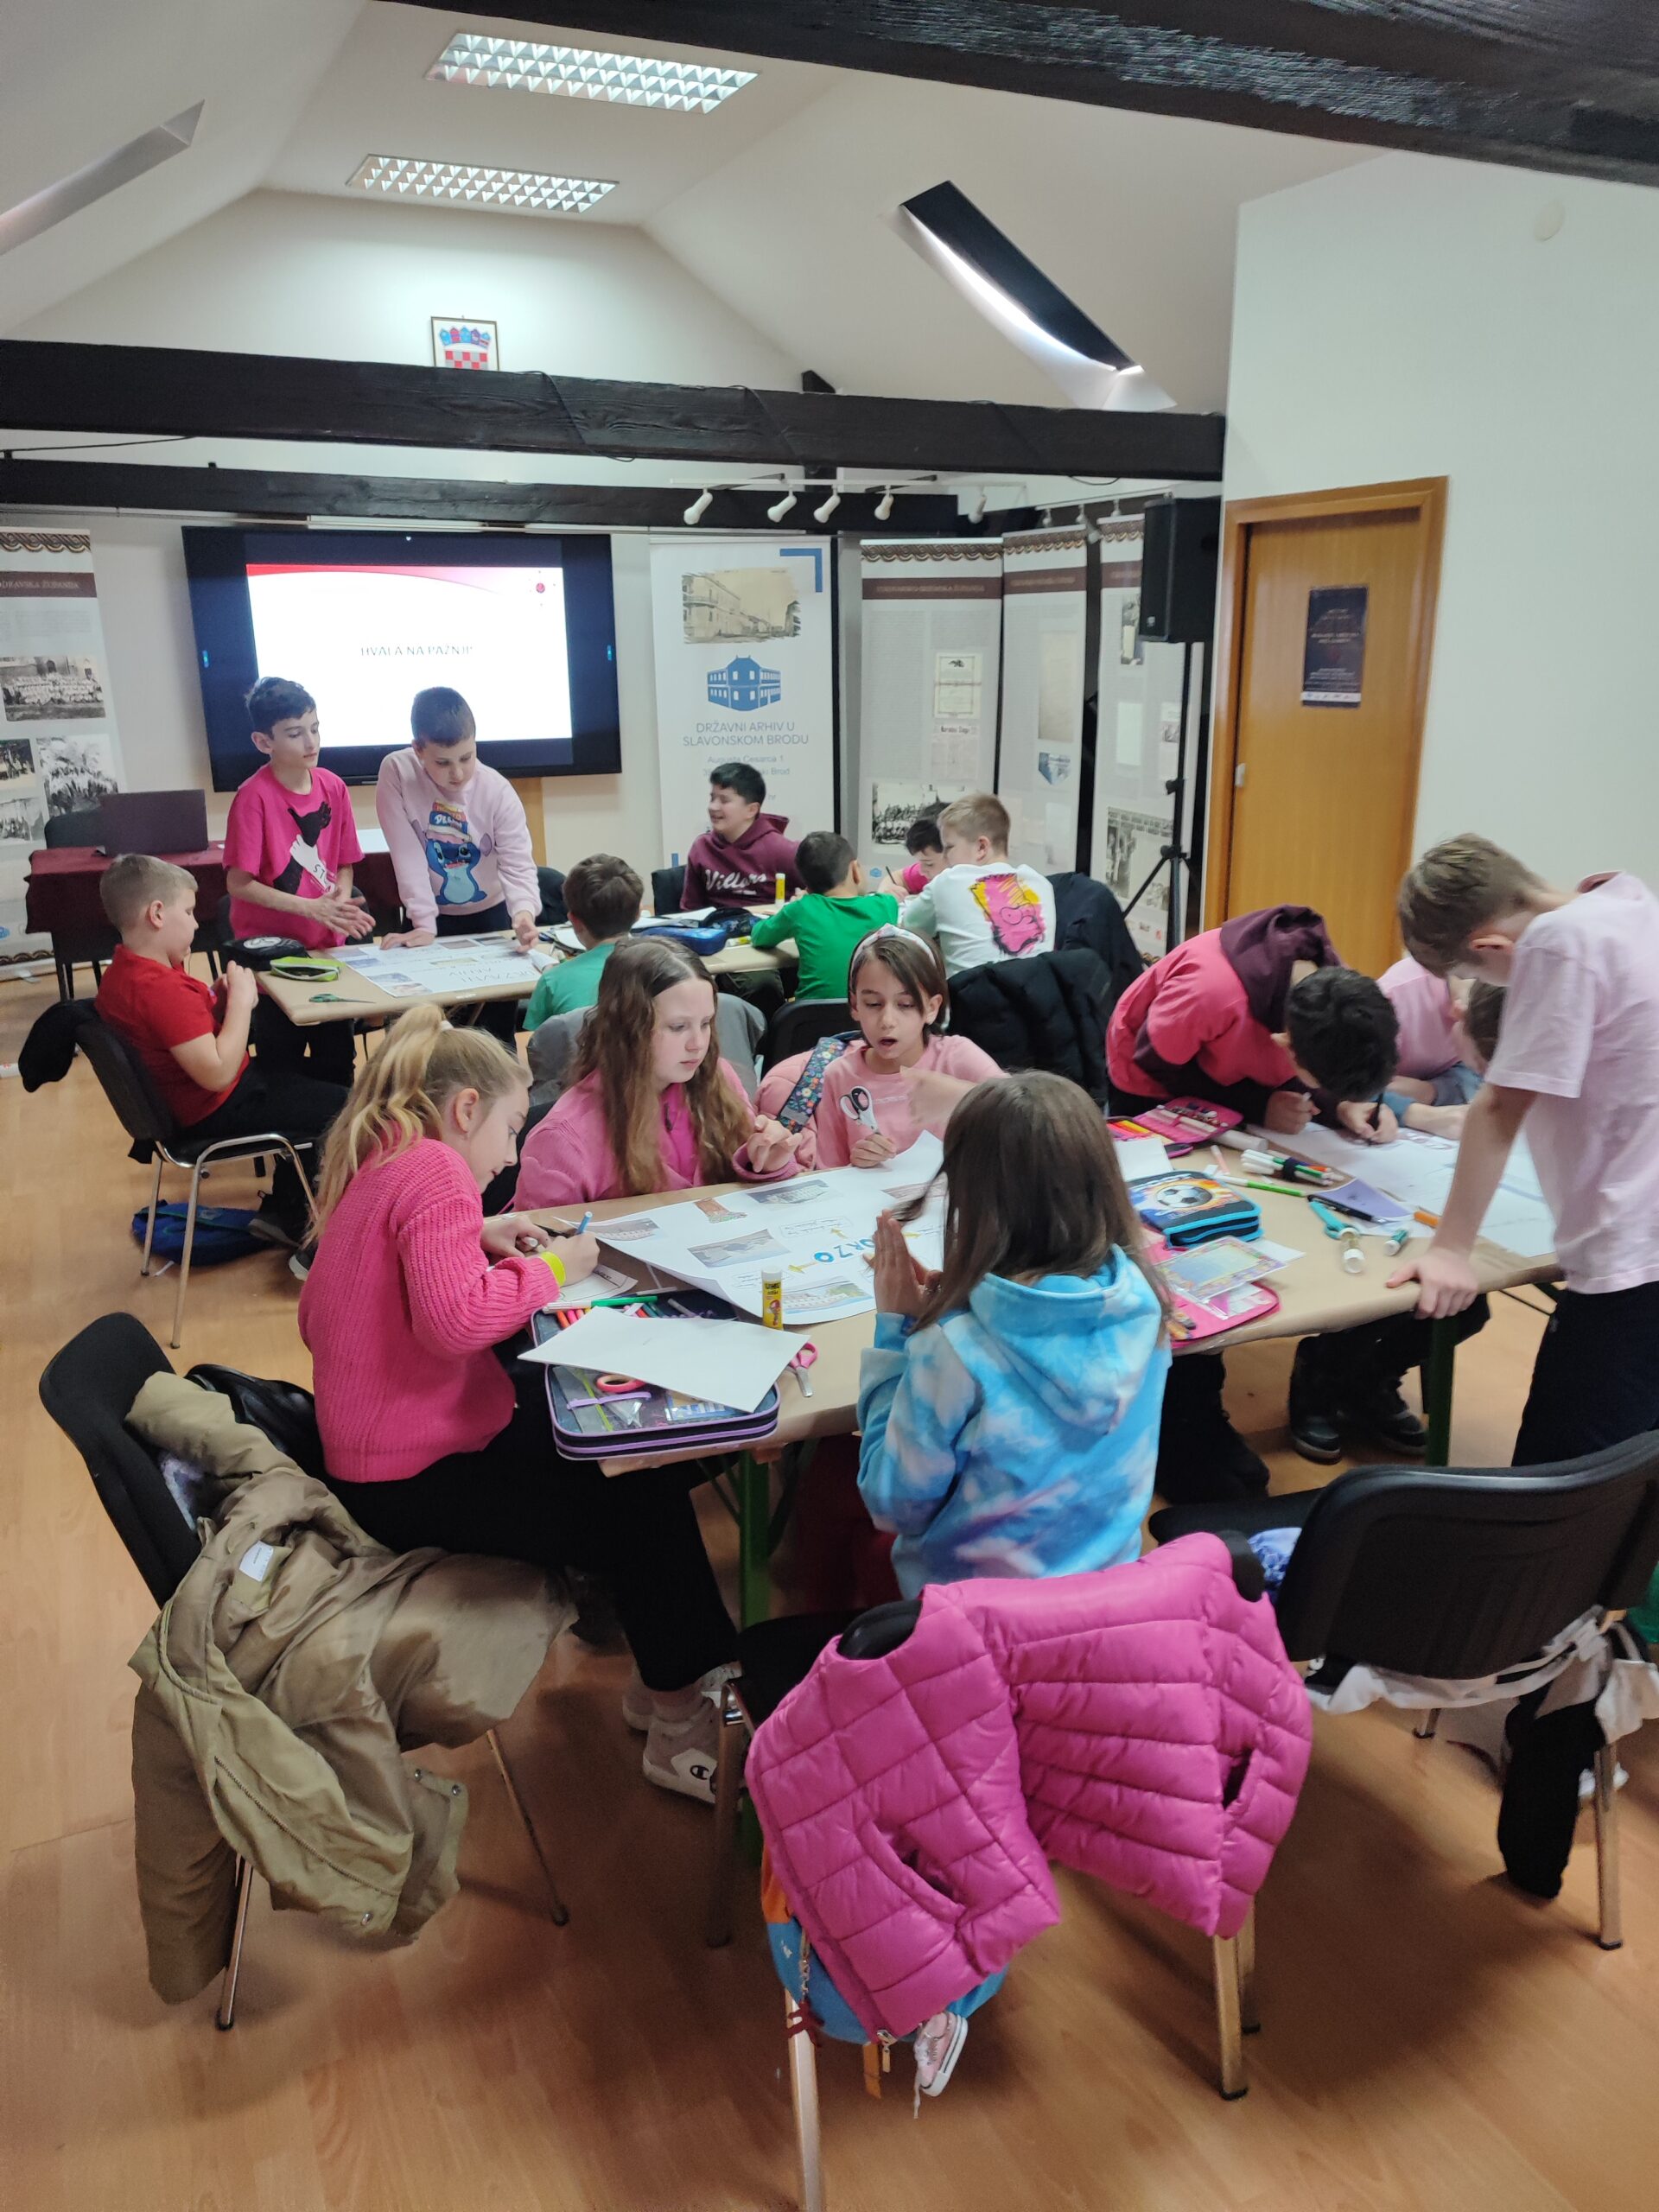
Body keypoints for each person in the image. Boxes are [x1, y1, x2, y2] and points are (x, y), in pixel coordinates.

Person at [299, 1003, 741, 1802]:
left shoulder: (385, 1154)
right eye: (508, 1131)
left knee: (621, 1458)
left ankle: (666, 1682)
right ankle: (679, 1719)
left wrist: (477, 1239)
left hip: (383, 1459)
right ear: (466, 1110)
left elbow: (351, 1300)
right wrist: (556, 1270)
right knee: (635, 1491)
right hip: (415, 1476)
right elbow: (455, 1323)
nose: (509, 1154)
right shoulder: (436, 1171)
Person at [835, 1069, 1172, 2092]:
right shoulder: (1145, 1296)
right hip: (1102, 1632)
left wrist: (893, 1329)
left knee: (839, 1566)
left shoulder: (959, 1345)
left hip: (967, 1656)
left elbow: (890, 1499)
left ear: (976, 1203)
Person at [1107, 902, 1478, 1492]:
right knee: (1190, 1241)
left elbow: (1319, 1073)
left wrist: (1345, 1105)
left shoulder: (1330, 984)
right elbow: (1151, 1067)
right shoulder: (1210, 991)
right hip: (1152, 1088)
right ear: (1284, 1044)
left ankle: (1351, 1379)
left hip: (1240, 1080)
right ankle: (1186, 1414)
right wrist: (1257, 1104)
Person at [1392, 833, 1659, 1465]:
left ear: (1490, 948)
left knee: (1565, 1476)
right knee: (1636, 1464)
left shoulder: (1557, 941)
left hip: (1632, 1262)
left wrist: (1450, 1249)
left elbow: (1498, 1108)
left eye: (1471, 976)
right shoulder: (1630, 903)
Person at [93, 853, 344, 1247]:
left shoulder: (126, 974)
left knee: (326, 1077)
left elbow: (179, 1038)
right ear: (157, 914)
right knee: (347, 1104)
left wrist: (219, 1004)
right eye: (188, 912)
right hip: (217, 1106)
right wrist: (242, 1004)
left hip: (204, 1100)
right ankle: (304, 1222)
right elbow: (217, 1073)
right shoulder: (158, 989)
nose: (196, 923)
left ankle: (289, 1208)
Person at [514, 937, 801, 1207]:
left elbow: (747, 1197)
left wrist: (766, 1164)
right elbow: (538, 1239)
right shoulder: (563, 1138)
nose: (698, 1044)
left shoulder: (718, 1078)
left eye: (706, 1023)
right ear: (628, 1029)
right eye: (678, 1027)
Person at [223, 675, 371, 1088]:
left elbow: (344, 863)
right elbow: (238, 883)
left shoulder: (333, 787)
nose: (311, 742)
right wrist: (311, 907)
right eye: (295, 733)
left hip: (326, 953)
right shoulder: (253, 797)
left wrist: (339, 899)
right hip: (274, 961)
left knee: (338, 1064)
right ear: (263, 742)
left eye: (315, 729)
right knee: (281, 1067)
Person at [810, 925, 1002, 1170]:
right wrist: (855, 1167)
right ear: (855, 1006)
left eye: (906, 1005)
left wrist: (964, 1095)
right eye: (873, 1004)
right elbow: (829, 1173)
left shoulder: (957, 1058)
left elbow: (1027, 1116)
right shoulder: (839, 1076)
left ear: (932, 1008)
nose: (887, 1021)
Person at [900, 792, 1055, 977]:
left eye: (949, 847)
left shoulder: (949, 881)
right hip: (1037, 993)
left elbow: (908, 930)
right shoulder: (1041, 883)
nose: (945, 857)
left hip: (970, 994)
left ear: (981, 847)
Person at [748, 830, 898, 1002]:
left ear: (807, 885)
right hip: (871, 1013)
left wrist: (802, 902)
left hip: (811, 1016)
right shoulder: (886, 905)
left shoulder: (801, 909)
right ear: (855, 870)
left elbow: (759, 937)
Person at [523, 853, 641, 1031]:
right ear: (639, 913)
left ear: (574, 921)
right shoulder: (662, 967)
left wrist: (558, 974)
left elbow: (534, 1041)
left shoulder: (553, 981)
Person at [1378, 954, 1481, 1137]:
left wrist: (1432, 1091)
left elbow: (1480, 1075)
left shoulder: (1484, 1010)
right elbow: (1343, 1084)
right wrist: (1416, 1114)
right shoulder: (1394, 999)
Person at [682, 761, 800, 908]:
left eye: (724, 800)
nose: (713, 807)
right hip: (716, 922)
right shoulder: (702, 847)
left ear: (751, 810)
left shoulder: (782, 850)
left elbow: (823, 894)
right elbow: (690, 909)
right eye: (712, 798)